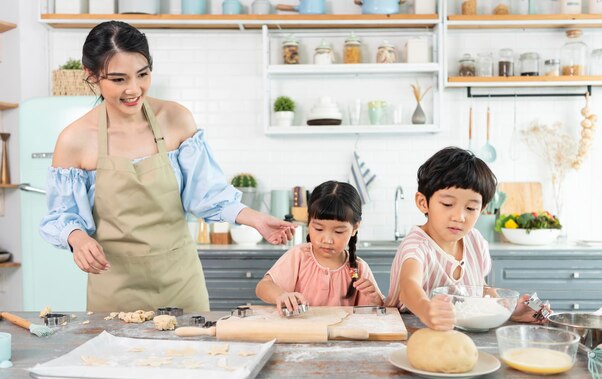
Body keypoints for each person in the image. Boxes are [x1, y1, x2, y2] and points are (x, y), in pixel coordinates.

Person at [39, 21, 293, 312]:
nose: (134, 89)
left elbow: (207, 194)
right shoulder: (75, 140)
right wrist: (77, 238)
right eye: (118, 79)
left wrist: (255, 219)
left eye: (143, 74)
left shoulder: (175, 118)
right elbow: (62, 215)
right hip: (115, 285)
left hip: (180, 280)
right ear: (92, 76)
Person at [385, 147, 542, 330]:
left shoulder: (475, 241)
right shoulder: (417, 246)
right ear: (423, 203)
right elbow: (408, 288)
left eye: (471, 208)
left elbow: (478, 291)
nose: (459, 216)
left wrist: (511, 308)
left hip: (459, 334)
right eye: (448, 204)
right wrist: (428, 311)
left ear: (482, 210)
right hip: (408, 332)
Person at [256, 181, 384, 313]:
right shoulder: (299, 256)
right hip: (300, 332)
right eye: (318, 228)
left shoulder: (358, 269)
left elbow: (374, 310)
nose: (327, 240)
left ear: (355, 228)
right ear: (308, 222)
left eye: (338, 231)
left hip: (342, 333)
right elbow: (263, 286)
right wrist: (281, 295)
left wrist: (376, 300)